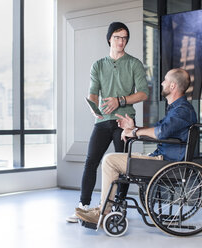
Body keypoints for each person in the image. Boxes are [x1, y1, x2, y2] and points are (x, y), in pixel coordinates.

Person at [75, 68, 197, 224]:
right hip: (161, 160)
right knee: (111, 159)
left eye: (165, 80)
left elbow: (161, 133)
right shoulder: (177, 109)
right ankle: (104, 209)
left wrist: (134, 132)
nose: (162, 83)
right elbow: (159, 132)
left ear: (173, 86)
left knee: (110, 160)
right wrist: (135, 129)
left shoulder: (182, 110)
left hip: (165, 163)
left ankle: (103, 211)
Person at [66, 22, 149, 223]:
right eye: (117, 37)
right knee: (91, 161)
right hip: (103, 121)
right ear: (109, 38)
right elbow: (93, 93)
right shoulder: (98, 65)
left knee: (124, 166)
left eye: (125, 37)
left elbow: (143, 93)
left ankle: (118, 206)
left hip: (125, 121)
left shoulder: (134, 63)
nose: (121, 41)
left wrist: (119, 100)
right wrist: (93, 107)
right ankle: (83, 206)